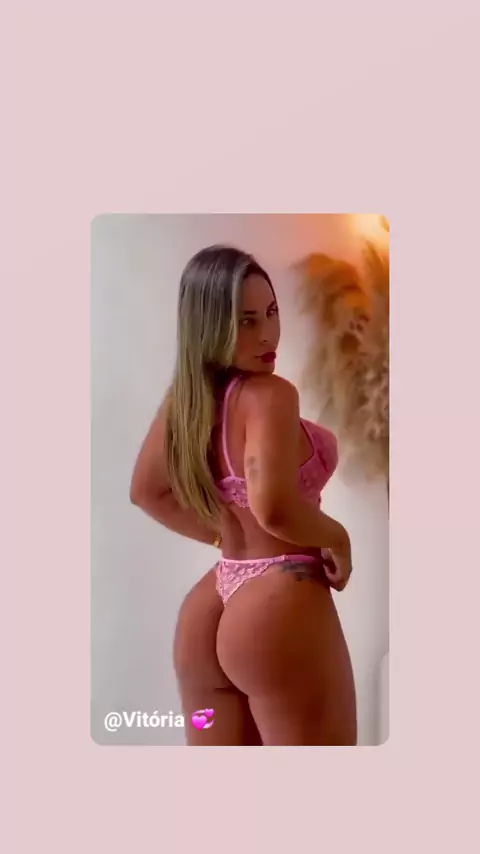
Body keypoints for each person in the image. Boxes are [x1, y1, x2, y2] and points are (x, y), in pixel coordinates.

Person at [130, 245, 357, 746]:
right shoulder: (271, 395)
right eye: (246, 321)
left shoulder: (187, 401)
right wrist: (338, 537)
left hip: (210, 609)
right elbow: (272, 507)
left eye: (271, 312)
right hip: (277, 606)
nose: (268, 334)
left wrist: (223, 538)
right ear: (210, 327)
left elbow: (147, 492)